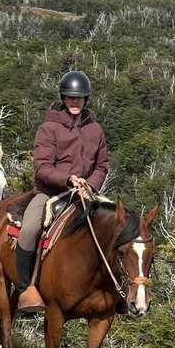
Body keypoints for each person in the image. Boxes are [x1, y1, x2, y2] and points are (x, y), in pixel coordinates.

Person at [17, 70, 109, 313]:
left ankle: (116, 290)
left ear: (86, 99)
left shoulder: (95, 130)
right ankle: (26, 289)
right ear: (63, 97)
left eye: (79, 97)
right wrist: (68, 179)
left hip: (86, 192)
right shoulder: (48, 128)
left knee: (116, 225)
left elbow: (102, 165)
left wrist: (90, 185)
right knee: (29, 229)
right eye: (70, 97)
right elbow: (41, 167)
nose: (75, 101)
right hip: (51, 192)